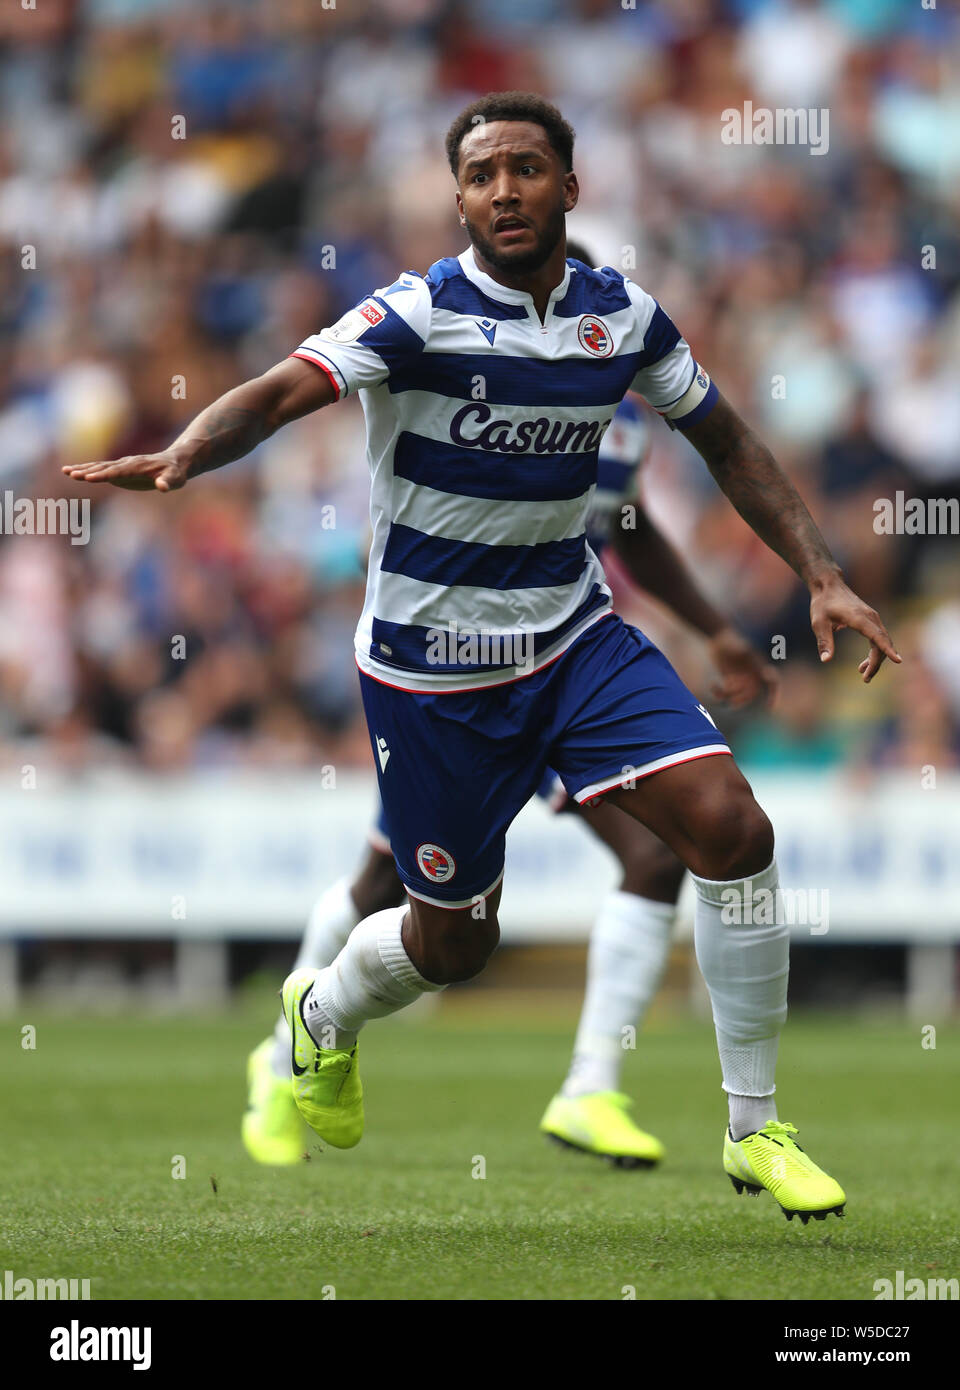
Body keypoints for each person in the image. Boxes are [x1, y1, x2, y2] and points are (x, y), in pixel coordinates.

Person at [65, 92, 899, 1222]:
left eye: (524, 167)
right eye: (481, 174)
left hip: (573, 639)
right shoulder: (415, 315)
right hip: (432, 671)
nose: (503, 189)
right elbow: (277, 393)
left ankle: (754, 1126)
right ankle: (319, 1022)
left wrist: (821, 570)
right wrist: (186, 450)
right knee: (451, 946)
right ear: (458, 198)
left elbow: (727, 441)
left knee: (732, 826)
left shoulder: (623, 318)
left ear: (571, 183)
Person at [241, 242, 779, 1171]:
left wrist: (715, 628)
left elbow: (627, 531)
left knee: (659, 853)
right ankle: (286, 1041)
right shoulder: (441, 348)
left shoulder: (612, 406)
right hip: (441, 678)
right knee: (411, 908)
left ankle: (592, 1086)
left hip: (561, 661)